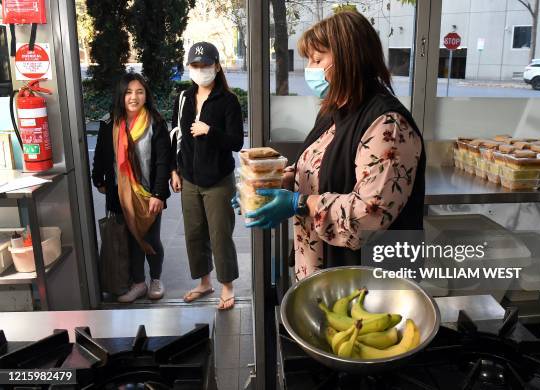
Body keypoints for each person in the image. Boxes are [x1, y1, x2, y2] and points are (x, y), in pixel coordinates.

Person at [239, 11, 426, 281]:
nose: (310, 69)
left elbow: (368, 216)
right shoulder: (333, 110)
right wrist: (266, 186)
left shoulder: (388, 125)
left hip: (368, 285)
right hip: (321, 271)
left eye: (317, 59)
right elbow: (317, 166)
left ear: (351, 57)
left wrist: (298, 203)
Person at [170, 42, 243, 310]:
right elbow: (175, 136)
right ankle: (204, 282)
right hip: (188, 177)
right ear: (189, 68)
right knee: (194, 233)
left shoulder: (228, 100)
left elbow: (236, 142)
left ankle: (227, 286)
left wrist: (210, 130)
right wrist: (174, 170)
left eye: (206, 65)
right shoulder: (183, 98)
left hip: (218, 180)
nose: (201, 70)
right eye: (196, 66)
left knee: (220, 234)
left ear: (217, 66)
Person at [92, 73, 171, 302]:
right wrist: (98, 180)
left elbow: (162, 162)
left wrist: (159, 194)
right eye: (128, 92)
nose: (134, 97)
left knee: (150, 239)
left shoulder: (156, 122)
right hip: (119, 194)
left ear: (146, 95)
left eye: (139, 91)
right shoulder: (110, 123)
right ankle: (138, 283)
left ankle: (155, 279)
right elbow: (101, 154)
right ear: (121, 95)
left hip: (148, 195)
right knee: (128, 239)